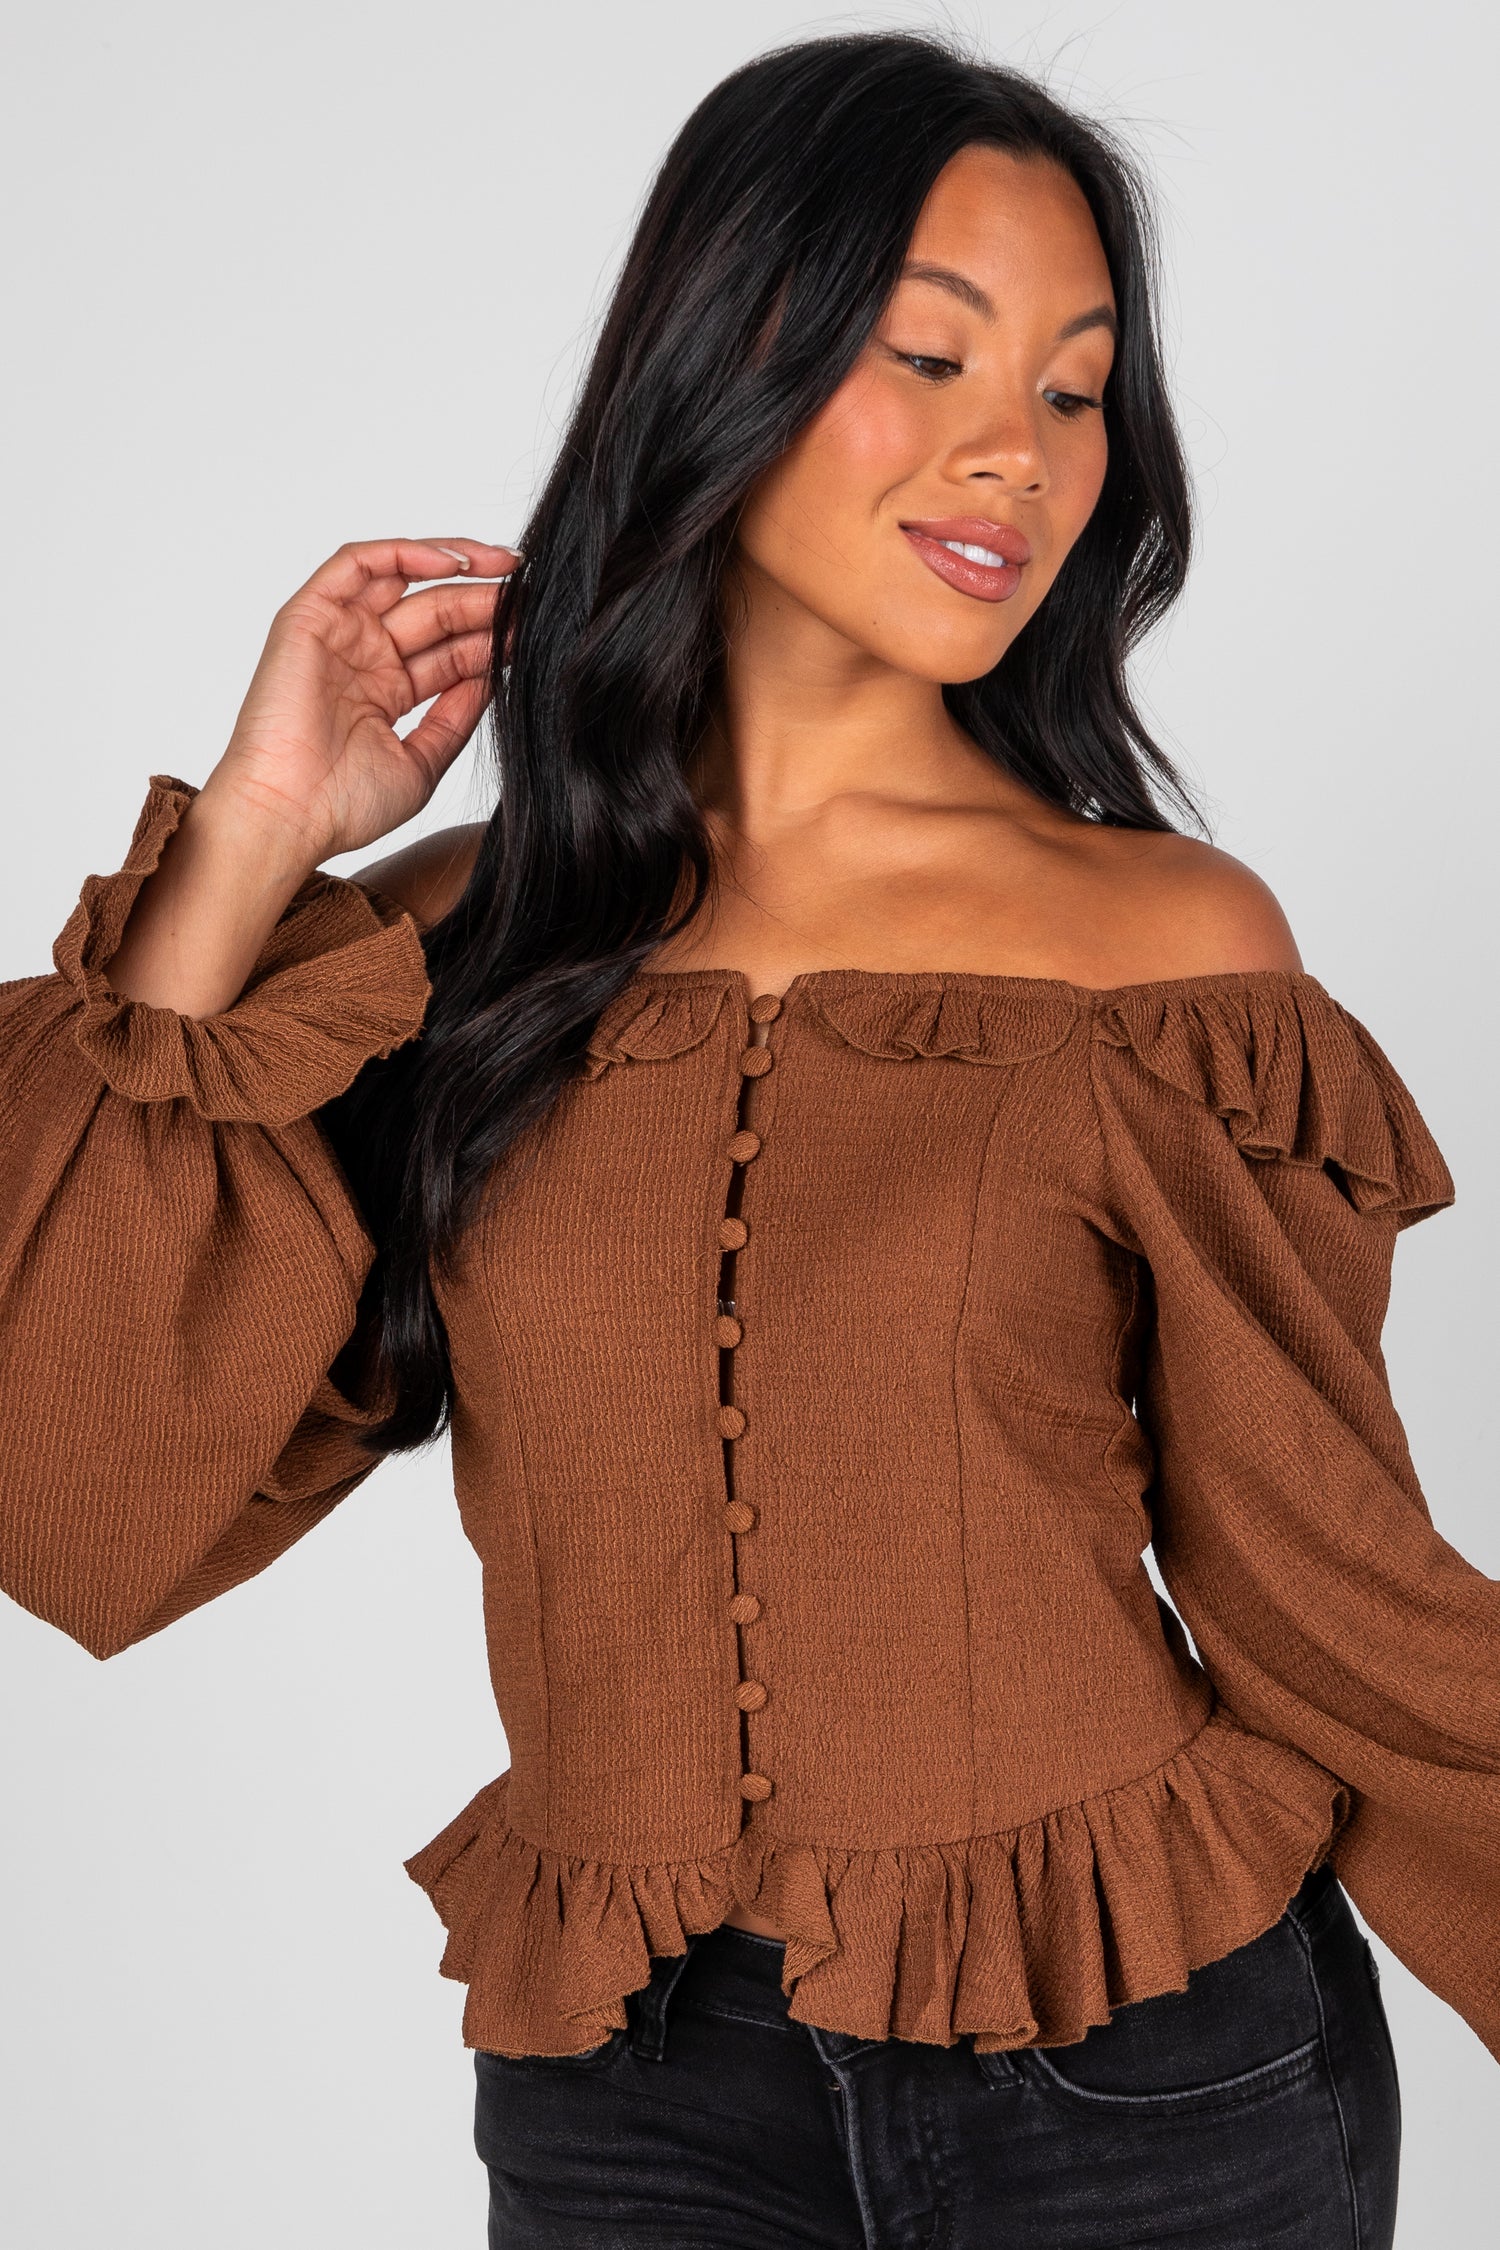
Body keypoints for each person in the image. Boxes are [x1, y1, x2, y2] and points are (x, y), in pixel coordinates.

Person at [1, 28, 1494, 2249]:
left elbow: (1326, 1584)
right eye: (933, 355)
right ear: (724, 356)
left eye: (1078, 390)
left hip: (1140, 2066)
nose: (1019, 456)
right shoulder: (462, 945)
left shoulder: (1163, 952)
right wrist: (252, 843)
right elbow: (77, 1478)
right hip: (627, 2095)